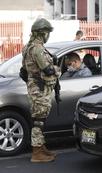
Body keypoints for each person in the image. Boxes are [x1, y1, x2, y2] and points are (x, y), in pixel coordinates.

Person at [21, 18, 60, 162]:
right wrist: (59, 69)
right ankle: (37, 153)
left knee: (39, 119)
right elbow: (48, 69)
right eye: (47, 33)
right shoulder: (37, 49)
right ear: (42, 33)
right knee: (39, 120)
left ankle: (41, 147)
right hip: (40, 88)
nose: (48, 35)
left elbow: (24, 71)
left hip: (34, 86)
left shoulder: (27, 47)